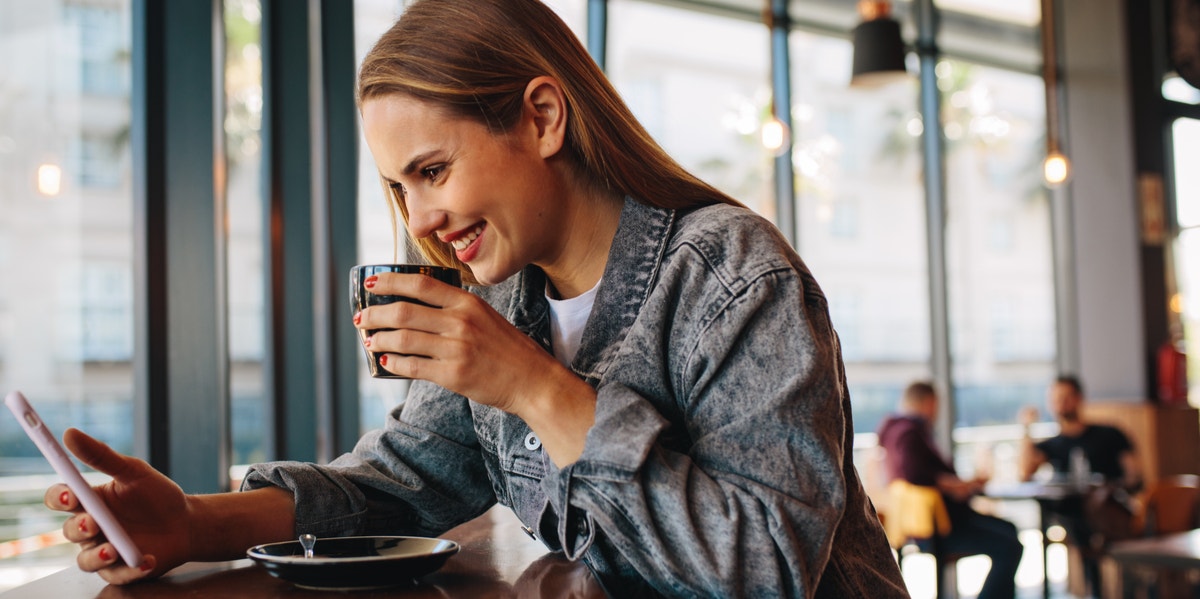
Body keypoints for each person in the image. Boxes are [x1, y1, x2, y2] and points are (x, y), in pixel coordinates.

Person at [40, 1, 908, 597]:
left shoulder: (731, 275)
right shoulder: (510, 300)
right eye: (398, 189)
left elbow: (763, 568)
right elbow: (399, 483)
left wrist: (533, 385)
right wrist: (193, 522)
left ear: (541, 117)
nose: (419, 218)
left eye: (432, 170)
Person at [877, 381, 1023, 599]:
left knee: (1010, 530)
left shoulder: (894, 431)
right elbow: (915, 475)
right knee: (1010, 545)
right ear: (929, 403)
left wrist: (959, 486)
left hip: (928, 525)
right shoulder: (909, 433)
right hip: (939, 528)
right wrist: (957, 486)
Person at [1017, 374, 1140, 597]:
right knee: (1075, 522)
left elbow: (1135, 475)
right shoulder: (1053, 444)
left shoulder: (1109, 434)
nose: (1060, 404)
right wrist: (1027, 428)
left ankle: (1114, 587)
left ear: (1079, 398)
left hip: (1112, 508)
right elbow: (1025, 473)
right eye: (1055, 399)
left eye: (1066, 397)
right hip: (1076, 514)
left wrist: (1111, 487)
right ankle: (1095, 590)